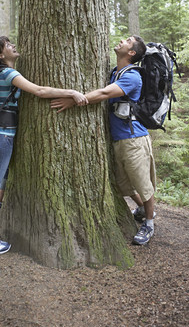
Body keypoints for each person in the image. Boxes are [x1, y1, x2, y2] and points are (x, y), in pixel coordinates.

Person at [0, 36, 87, 254]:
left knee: (3, 178)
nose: (13, 46)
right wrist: (71, 92)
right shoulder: (7, 73)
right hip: (3, 135)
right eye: (8, 46)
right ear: (0, 55)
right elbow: (40, 91)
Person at [51, 35, 156, 245]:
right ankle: (143, 209)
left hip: (133, 138)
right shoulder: (115, 72)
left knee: (142, 183)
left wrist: (74, 100)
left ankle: (150, 223)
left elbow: (105, 93)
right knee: (122, 182)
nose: (122, 41)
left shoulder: (132, 76)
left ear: (132, 53)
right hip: (119, 138)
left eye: (127, 41)